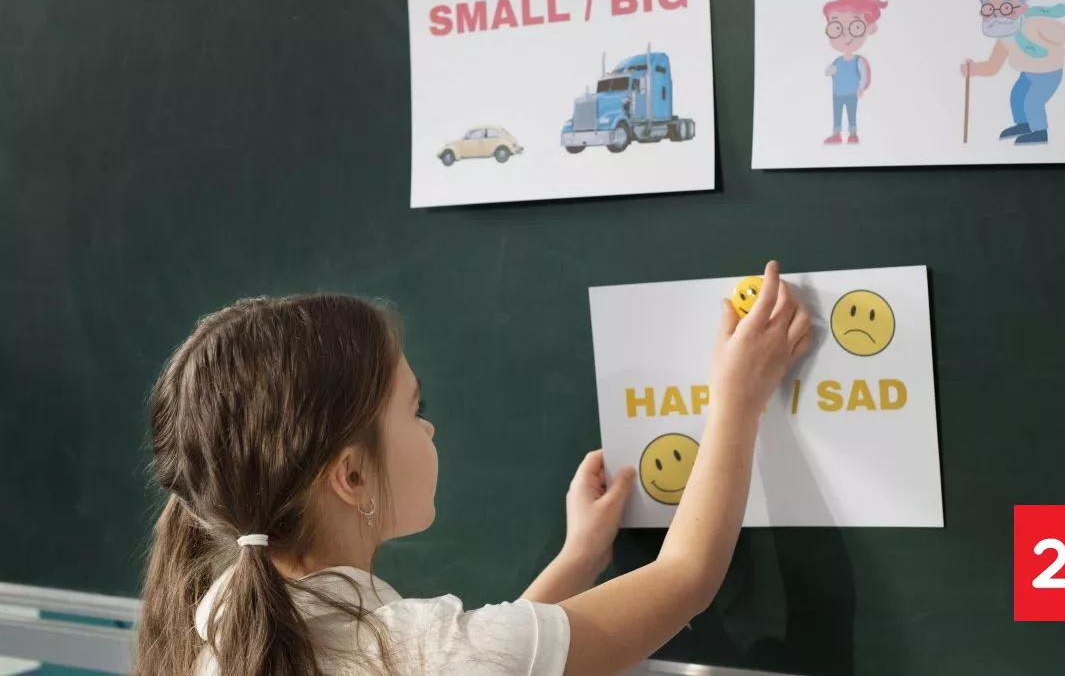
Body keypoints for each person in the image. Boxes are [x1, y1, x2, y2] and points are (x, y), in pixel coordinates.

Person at [134, 260, 813, 675]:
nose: (429, 426)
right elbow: (686, 577)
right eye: (414, 408)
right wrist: (738, 397)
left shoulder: (226, 621)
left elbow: (493, 659)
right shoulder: (422, 655)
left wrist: (579, 557)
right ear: (352, 476)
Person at [961, 0, 1065, 145]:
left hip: (1048, 73)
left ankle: (1040, 132)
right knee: (1017, 97)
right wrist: (974, 70)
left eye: (1004, 7)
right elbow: (993, 66)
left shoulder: (1034, 22)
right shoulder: (1005, 37)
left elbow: (1064, 35)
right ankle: (1024, 125)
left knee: (1033, 101)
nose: (998, 14)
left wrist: (1047, 25)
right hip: (1027, 73)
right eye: (990, 8)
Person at [822, 0, 889, 145]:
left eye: (856, 27)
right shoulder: (837, 61)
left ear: (870, 29)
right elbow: (828, 72)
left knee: (851, 114)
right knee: (837, 114)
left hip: (851, 93)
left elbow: (864, 76)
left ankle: (852, 133)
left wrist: (861, 88)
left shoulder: (858, 61)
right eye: (836, 27)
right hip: (837, 93)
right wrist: (830, 71)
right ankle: (837, 133)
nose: (845, 34)